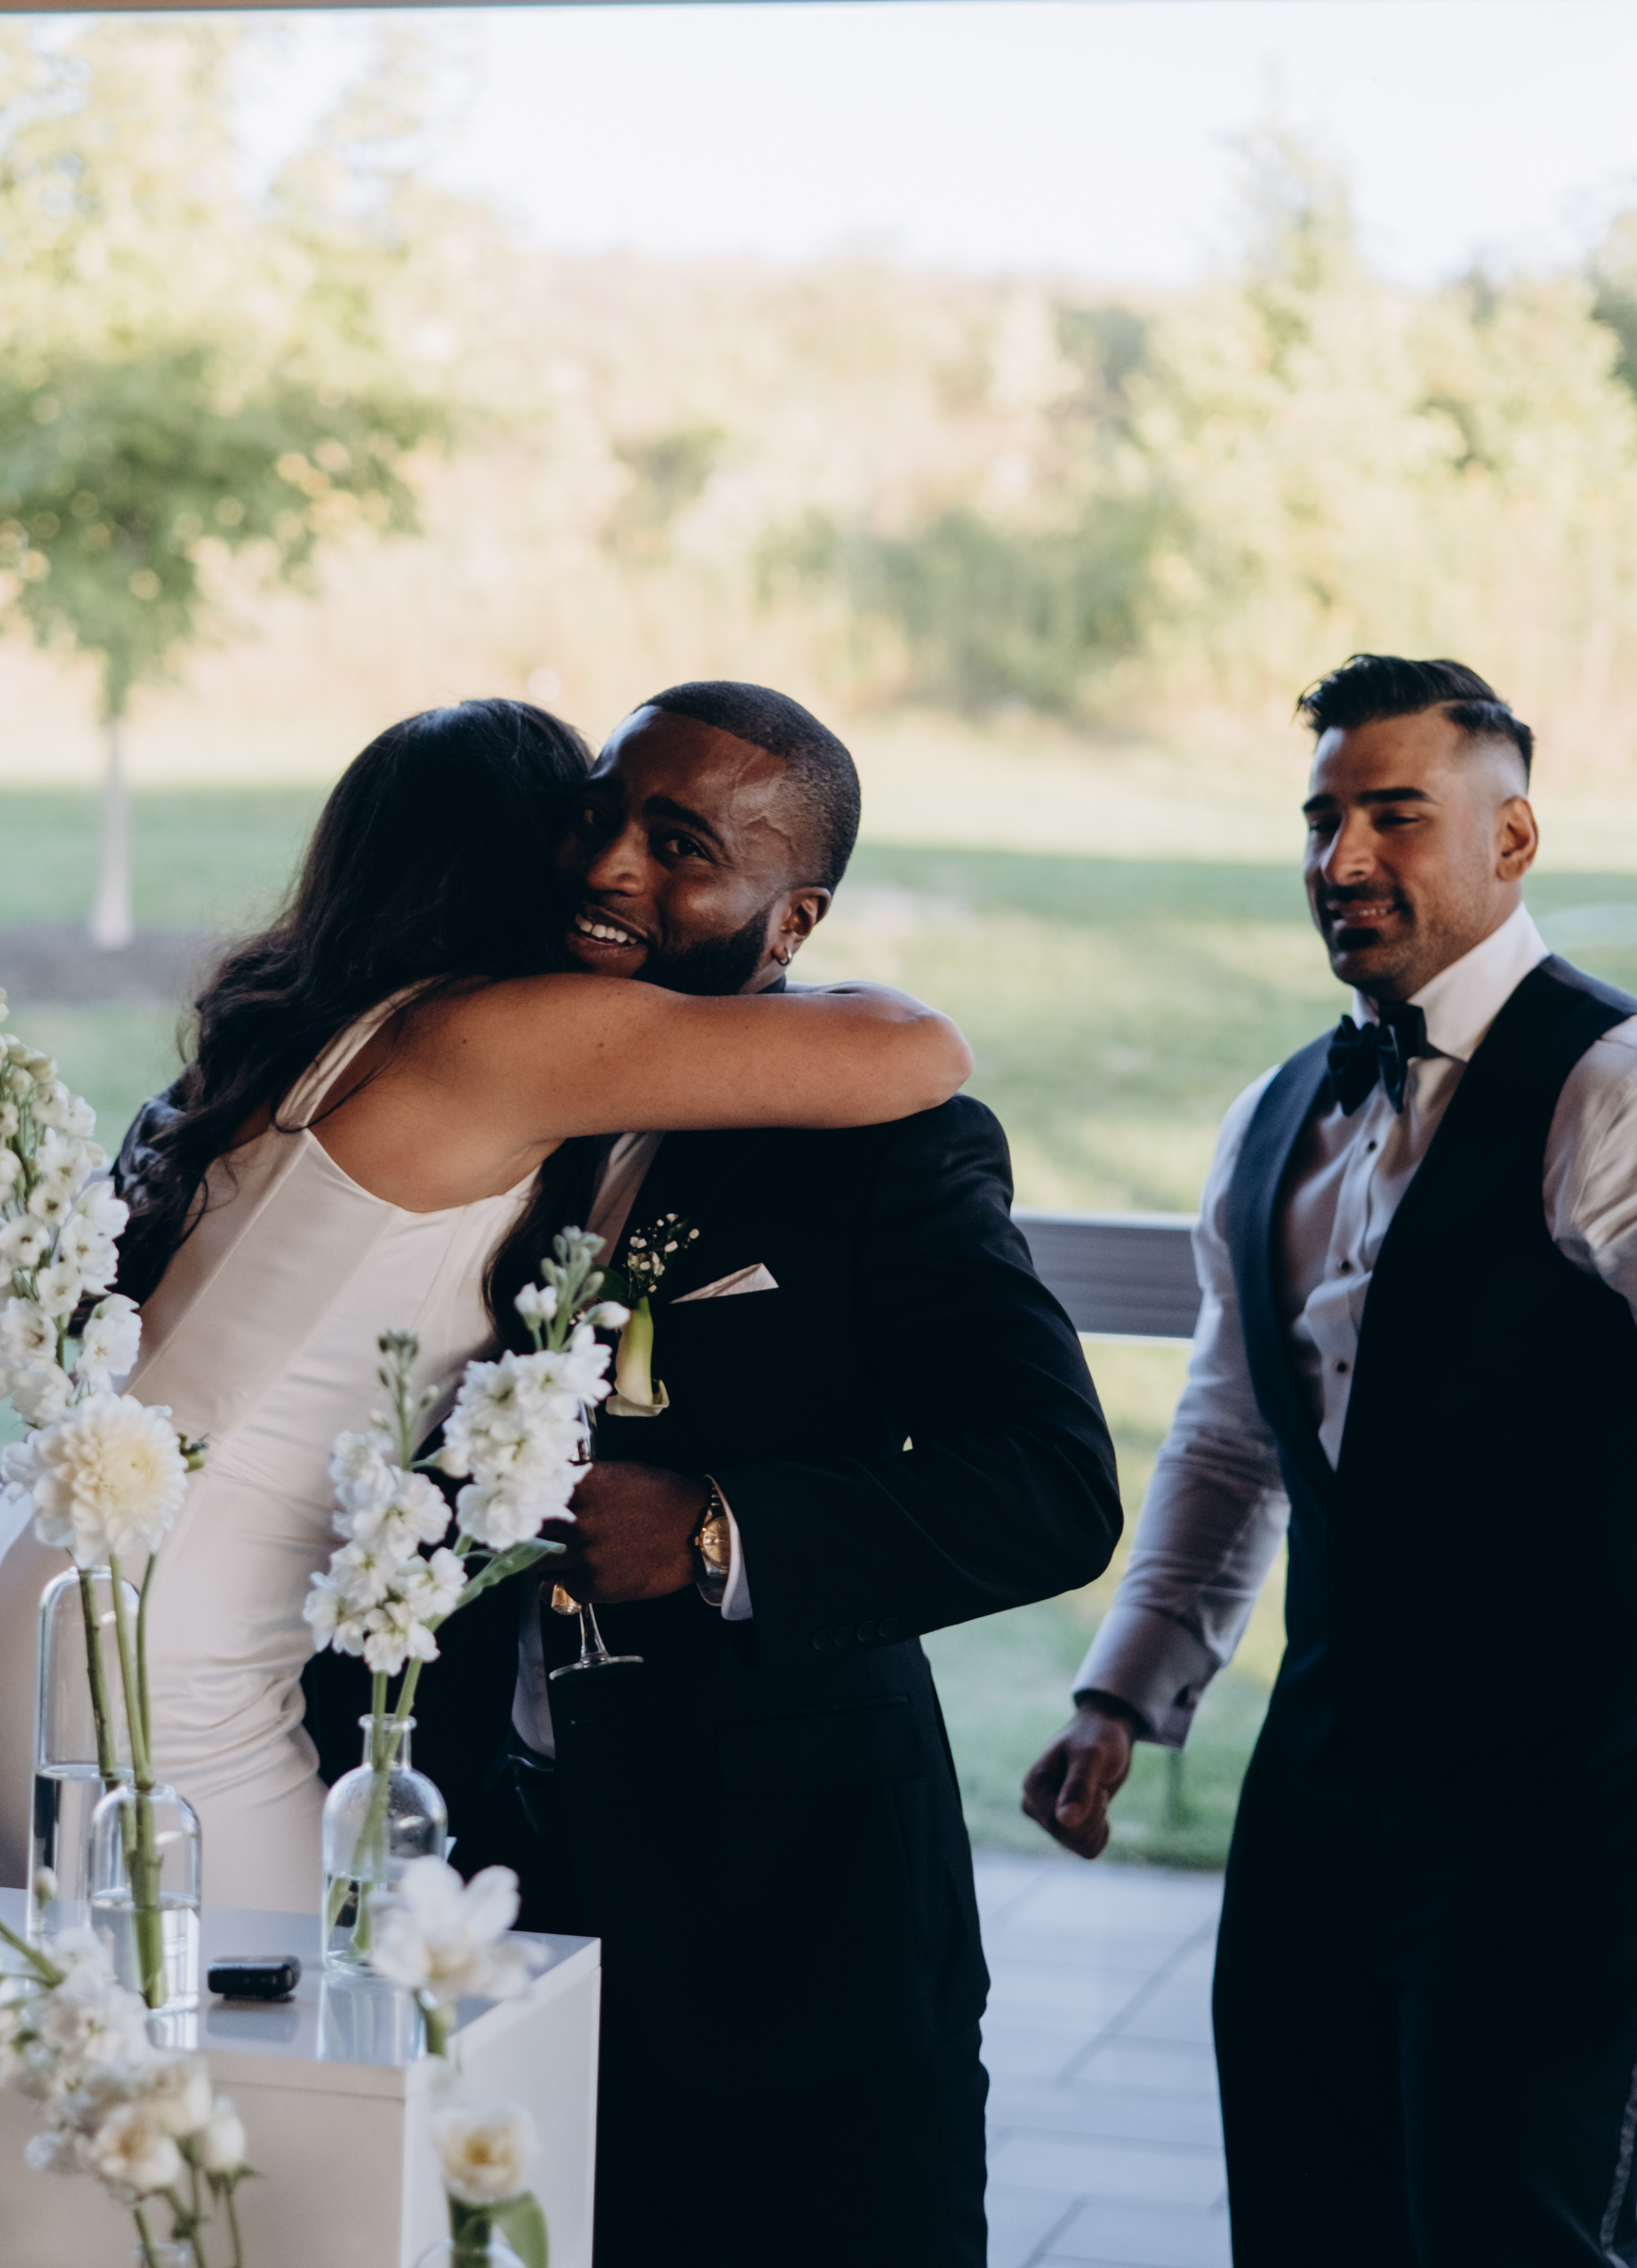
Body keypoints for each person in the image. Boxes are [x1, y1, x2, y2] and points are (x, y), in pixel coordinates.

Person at [1019, 654, 1637, 2268]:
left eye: (1395, 815)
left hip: (1571, 1784)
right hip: (1325, 1766)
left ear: (1514, 838)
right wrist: (1123, 1692)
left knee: (1514, 2240)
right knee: (1301, 2226)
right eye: (1322, 821)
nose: (1342, 858)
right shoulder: (1274, 1114)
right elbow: (1231, 1431)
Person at [0, 695, 977, 1913]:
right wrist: (774, 955)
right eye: (586, 823)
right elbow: (921, 1049)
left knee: (116, 2019)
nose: (606, 867)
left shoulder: (307, 1031)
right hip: (156, 1653)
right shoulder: (504, 1039)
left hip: (30, 1586)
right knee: (298, 2024)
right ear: (521, 855)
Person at [430, 681, 1125, 2268]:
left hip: (790, 1914)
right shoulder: (495, 1094)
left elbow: (1050, 1482)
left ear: (792, 919)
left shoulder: (885, 1143)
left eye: (680, 847)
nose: (608, 865)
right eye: (601, 814)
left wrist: (720, 1532)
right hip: (492, 1889)